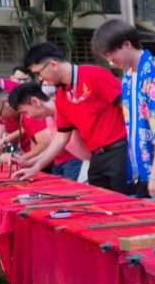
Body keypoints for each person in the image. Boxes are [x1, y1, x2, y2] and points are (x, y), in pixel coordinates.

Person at [18, 43, 128, 191]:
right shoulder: (63, 97)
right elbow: (61, 138)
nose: (40, 79)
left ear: (53, 65)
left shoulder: (94, 75)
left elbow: (129, 109)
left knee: (127, 203)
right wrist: (36, 166)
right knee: (100, 205)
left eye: (39, 73)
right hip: (96, 157)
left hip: (120, 151)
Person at [92, 20, 155, 202]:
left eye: (111, 55)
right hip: (142, 169)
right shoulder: (129, 75)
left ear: (127, 44)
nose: (110, 62)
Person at [8, 82, 88, 181]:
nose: (28, 117)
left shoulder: (64, 108)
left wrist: (35, 166)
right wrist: (33, 162)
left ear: (35, 102)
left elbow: (60, 142)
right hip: (87, 160)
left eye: (25, 112)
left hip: (94, 159)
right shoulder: (50, 116)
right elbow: (55, 146)